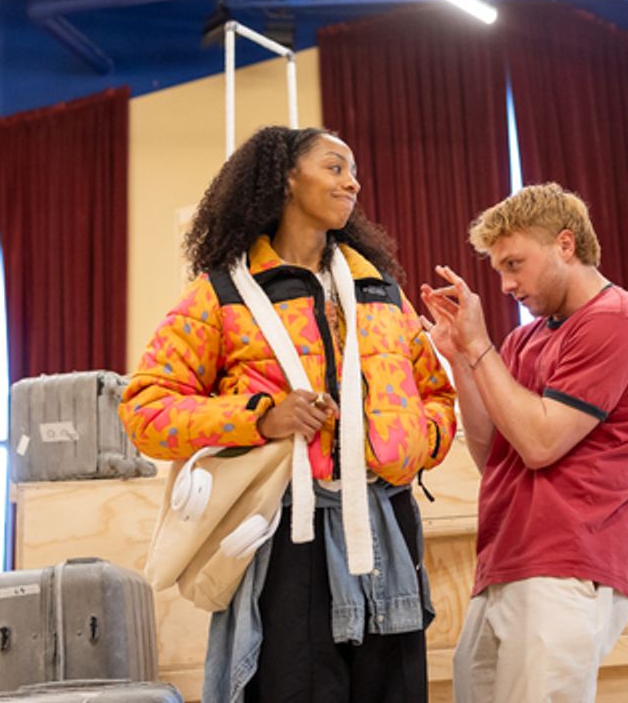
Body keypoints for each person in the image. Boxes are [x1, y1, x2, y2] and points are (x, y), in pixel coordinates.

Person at [120, 125, 457, 703]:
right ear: (284, 178)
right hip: (286, 541)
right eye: (334, 167)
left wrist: (414, 442)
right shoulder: (220, 295)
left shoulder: (382, 292)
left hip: (387, 528)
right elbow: (145, 409)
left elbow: (438, 395)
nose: (351, 181)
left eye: (353, 171)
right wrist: (261, 418)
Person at [419, 182, 628, 703]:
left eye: (515, 264)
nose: (507, 285)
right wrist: (466, 361)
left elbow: (539, 444)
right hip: (508, 561)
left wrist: (481, 346)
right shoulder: (525, 340)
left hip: (566, 564)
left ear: (565, 245)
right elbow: (495, 456)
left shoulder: (617, 322)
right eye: (500, 271)